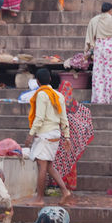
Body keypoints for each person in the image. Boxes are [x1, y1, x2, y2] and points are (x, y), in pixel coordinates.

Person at [25, 68, 72, 203]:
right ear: (50, 79)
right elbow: (64, 118)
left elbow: (39, 118)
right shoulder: (59, 95)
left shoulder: (41, 95)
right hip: (55, 134)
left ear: (37, 82)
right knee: (49, 166)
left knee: (42, 166)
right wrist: (67, 137)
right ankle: (65, 191)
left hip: (45, 135)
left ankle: (39, 198)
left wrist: (30, 134)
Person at [84, 2, 112, 104]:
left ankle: (99, 98)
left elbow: (91, 37)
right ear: (110, 10)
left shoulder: (94, 20)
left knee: (99, 72)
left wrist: (88, 49)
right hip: (110, 45)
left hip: (99, 46)